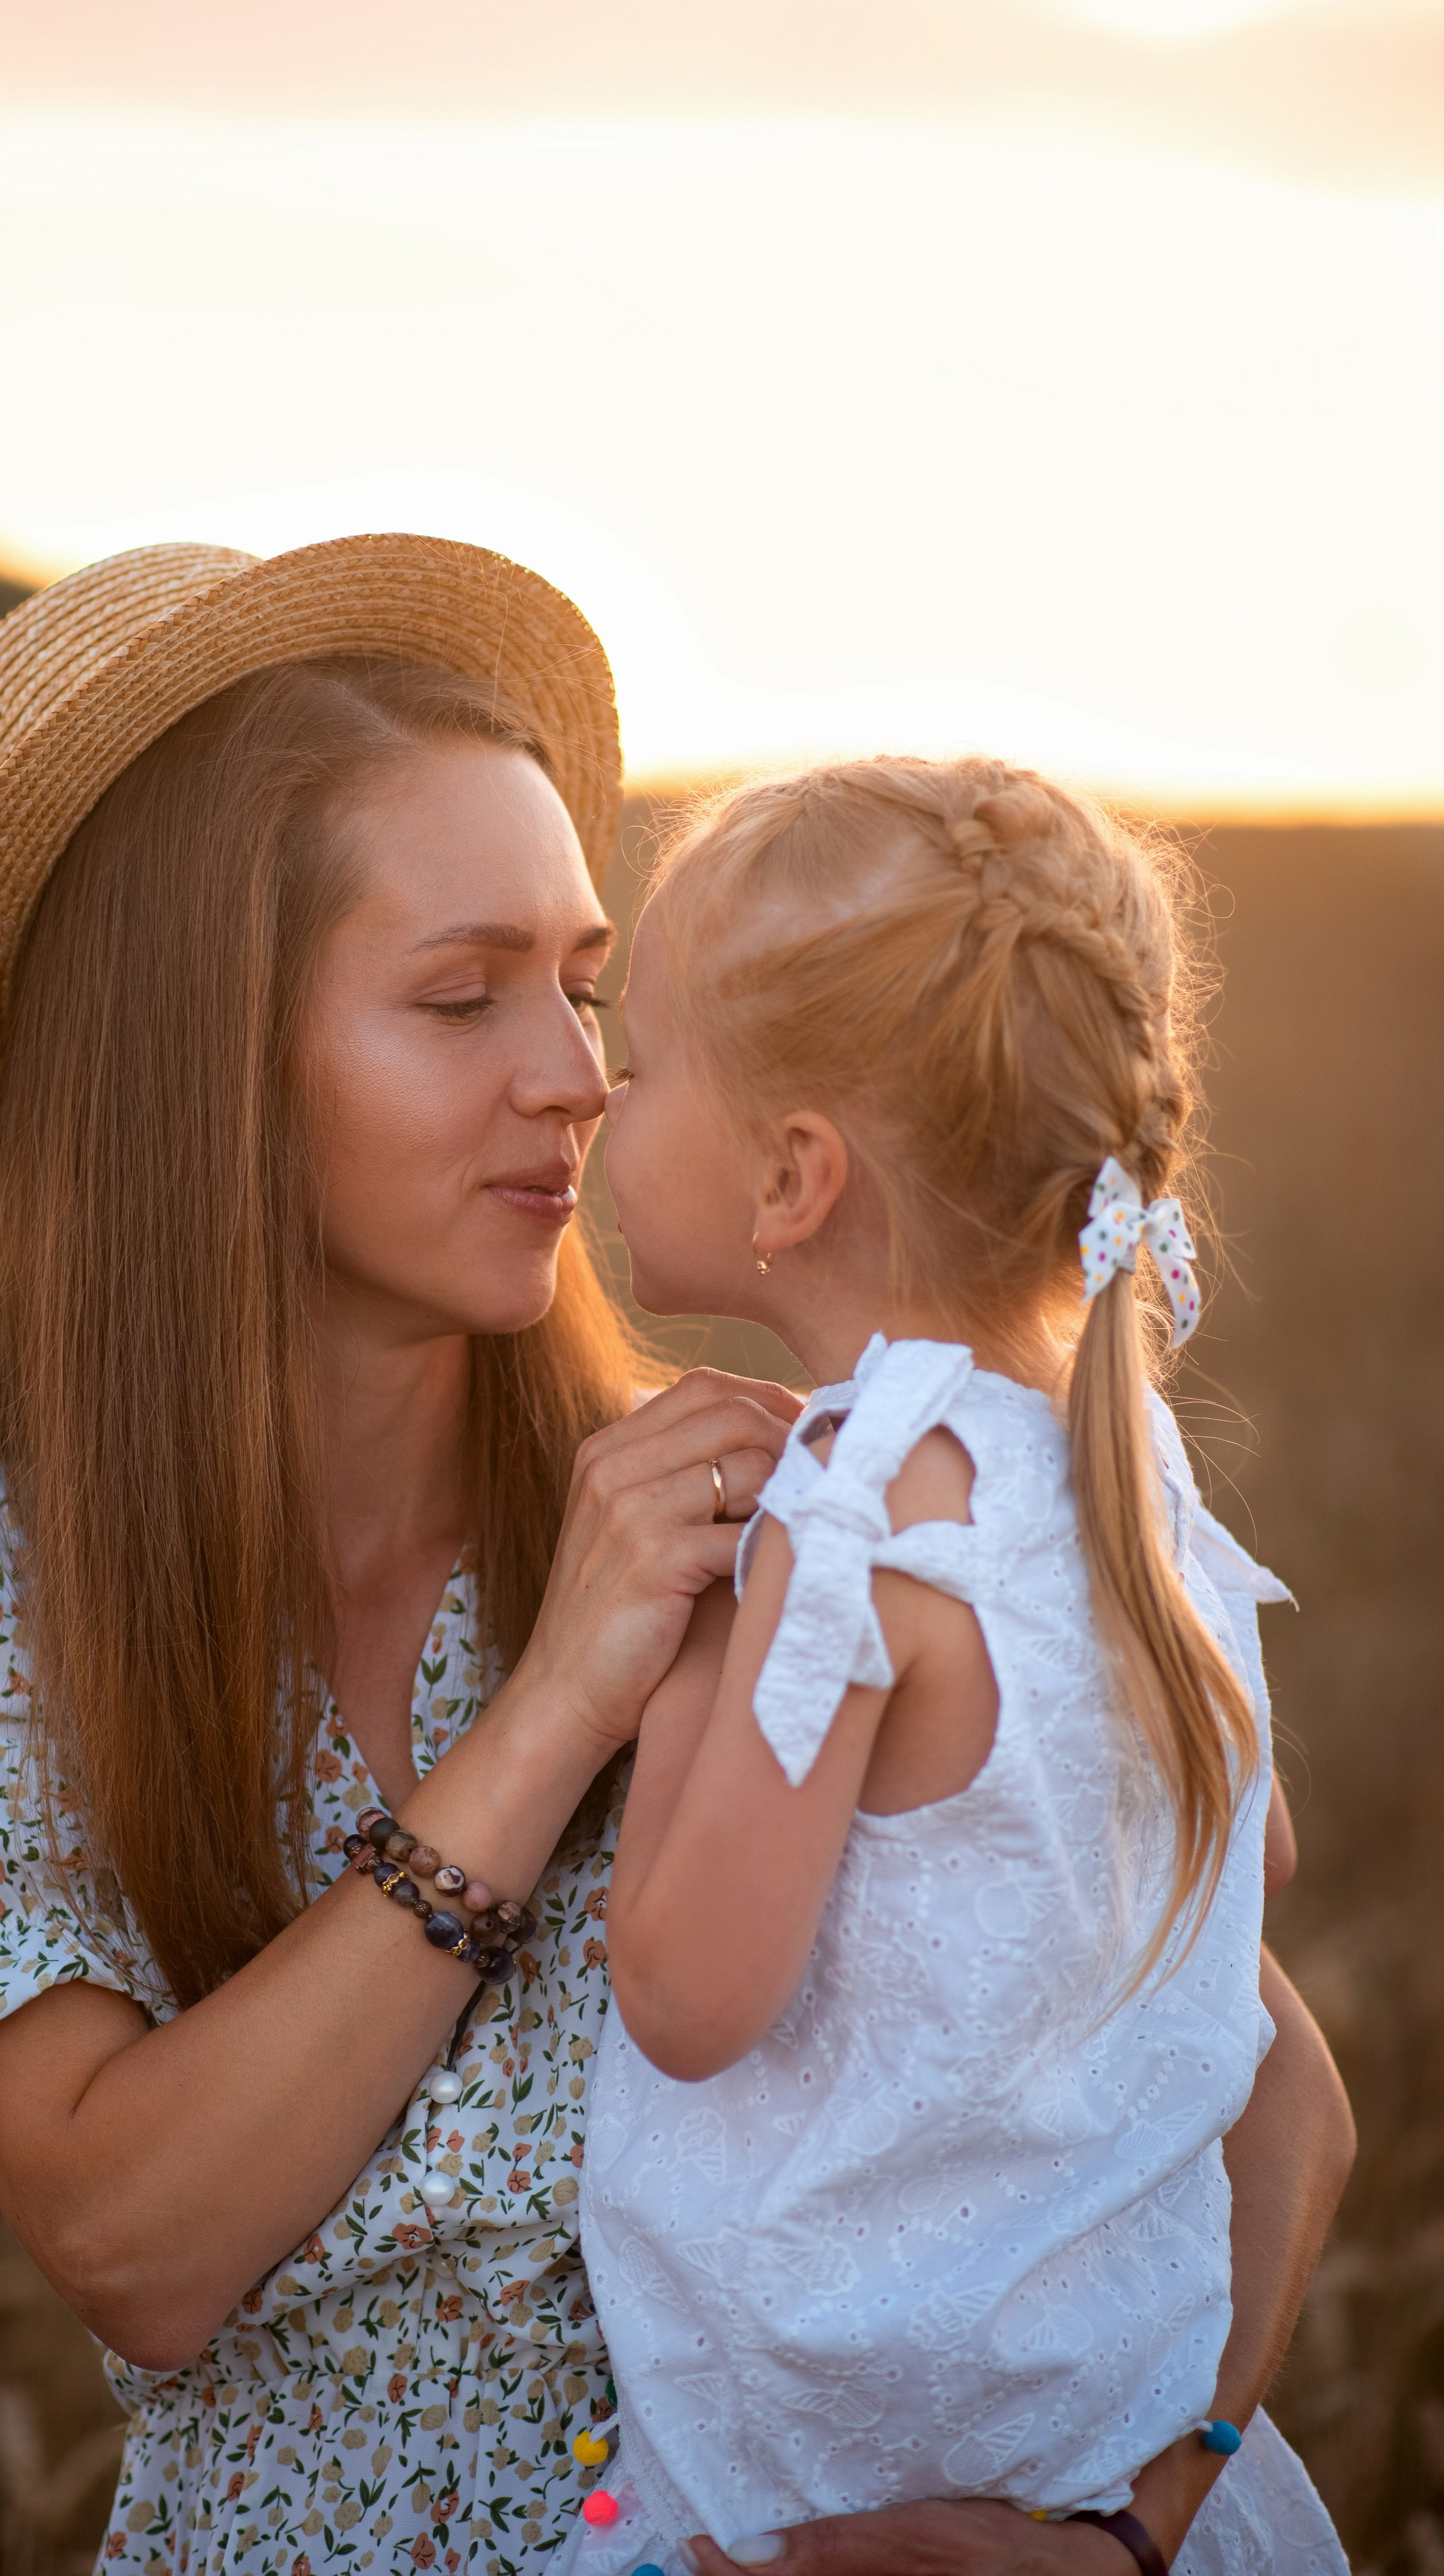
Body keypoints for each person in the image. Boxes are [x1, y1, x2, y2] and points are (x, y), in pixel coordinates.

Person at [0, 544, 1351, 2576]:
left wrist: (1140, 2521)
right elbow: (136, 2246)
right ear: (190, 1065)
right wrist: (551, 1713)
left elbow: (1255, 2074)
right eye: (462, 996)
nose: (578, 1075)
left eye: (590, 985)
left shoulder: (768, 1512)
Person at [573, 758, 1349, 2576]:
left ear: (791, 1174)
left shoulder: (854, 1511)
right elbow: (1263, 1859)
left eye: (649, 1057)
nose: (608, 1098)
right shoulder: (1113, 1457)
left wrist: (680, 1650)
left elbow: (688, 1996)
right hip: (1109, 2464)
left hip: (826, 2492)